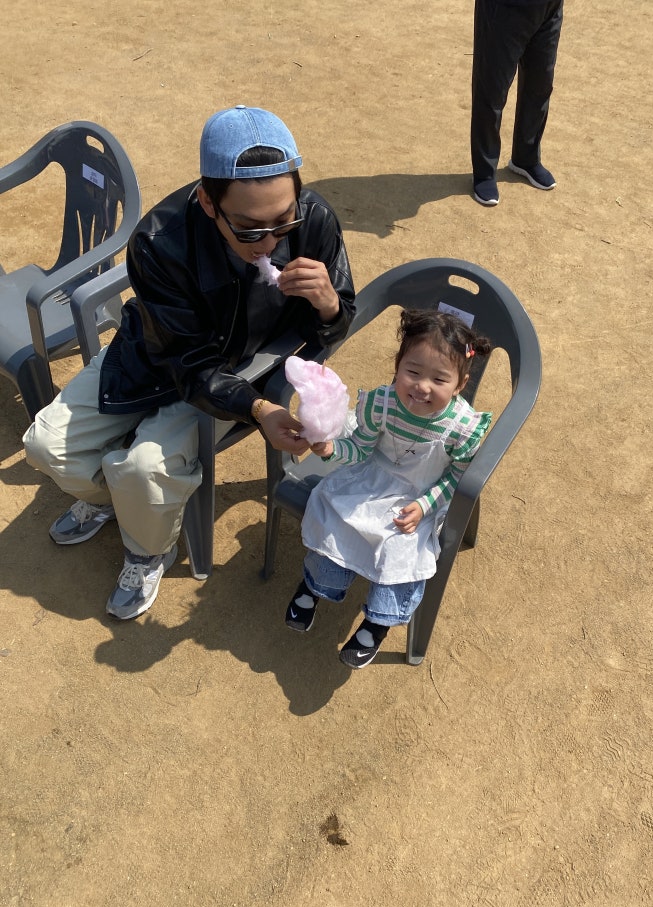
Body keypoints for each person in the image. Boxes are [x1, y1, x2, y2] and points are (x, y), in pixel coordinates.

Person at [23, 105, 355, 619]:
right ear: (207, 202)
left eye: (283, 220)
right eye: (249, 229)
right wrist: (259, 410)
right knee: (46, 446)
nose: (271, 241)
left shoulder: (315, 220)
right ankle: (118, 503)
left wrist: (329, 303)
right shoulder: (158, 242)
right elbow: (188, 362)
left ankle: (147, 548)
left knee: (141, 468)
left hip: (240, 371)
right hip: (164, 354)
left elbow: (336, 320)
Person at [285, 309, 493, 668]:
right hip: (372, 478)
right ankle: (317, 584)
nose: (422, 387)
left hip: (420, 495)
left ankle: (378, 622)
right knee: (336, 514)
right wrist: (332, 448)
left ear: (460, 384)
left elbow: (456, 477)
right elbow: (360, 448)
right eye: (413, 372)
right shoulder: (382, 403)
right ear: (398, 367)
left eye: (439, 379)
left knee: (403, 548)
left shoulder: (462, 426)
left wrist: (425, 505)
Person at [470, 0, 564, 206]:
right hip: (504, 8)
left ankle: (526, 158)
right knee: (492, 90)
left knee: (540, 83)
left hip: (549, 7)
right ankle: (484, 173)